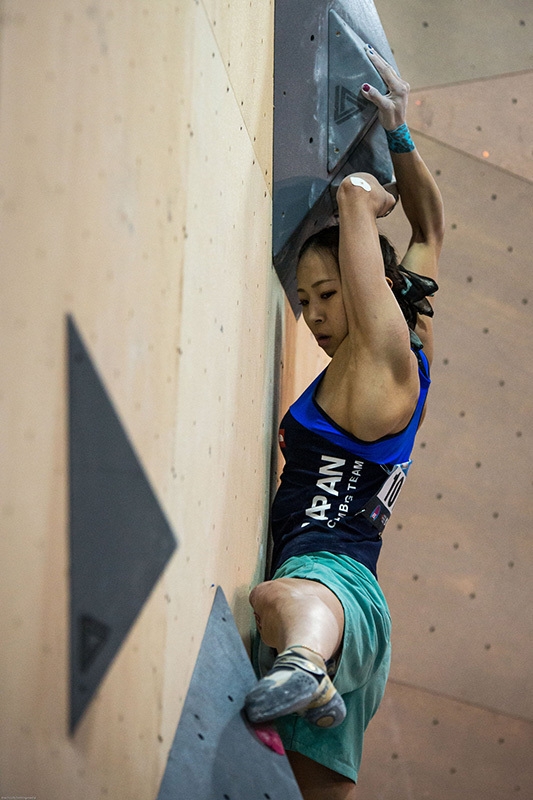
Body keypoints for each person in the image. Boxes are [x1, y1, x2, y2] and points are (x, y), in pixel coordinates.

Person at [245, 46, 445, 799]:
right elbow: (432, 227)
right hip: (357, 622)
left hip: (326, 593)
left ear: (367, 286)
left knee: (272, 602)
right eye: (303, 303)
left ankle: (301, 663)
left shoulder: (379, 359)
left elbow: (368, 205)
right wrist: (400, 136)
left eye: (326, 292)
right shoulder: (410, 347)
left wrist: (363, 189)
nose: (315, 314)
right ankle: (312, 675)